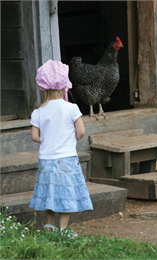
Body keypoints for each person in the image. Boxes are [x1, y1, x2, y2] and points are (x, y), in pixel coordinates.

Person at [29, 59, 93, 236]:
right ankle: (63, 231)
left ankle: (49, 227)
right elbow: (80, 131)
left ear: (44, 87)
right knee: (65, 194)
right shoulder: (71, 108)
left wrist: (48, 140)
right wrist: (68, 139)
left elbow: (34, 136)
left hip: (46, 160)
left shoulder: (38, 112)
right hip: (66, 158)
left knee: (50, 193)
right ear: (64, 84)